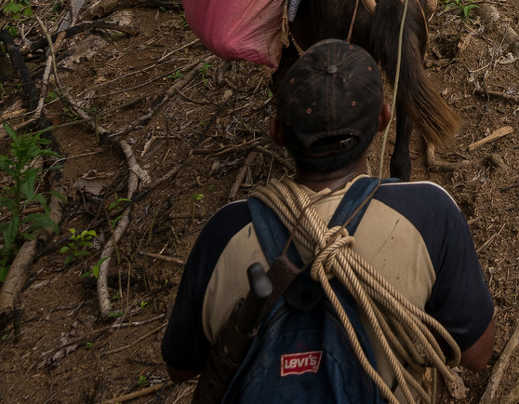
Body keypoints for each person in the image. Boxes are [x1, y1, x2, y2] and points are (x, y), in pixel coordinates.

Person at [161, 39, 497, 398]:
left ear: (276, 132)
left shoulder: (225, 231)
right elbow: (477, 353)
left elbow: (180, 366)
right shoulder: (430, 213)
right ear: (384, 119)